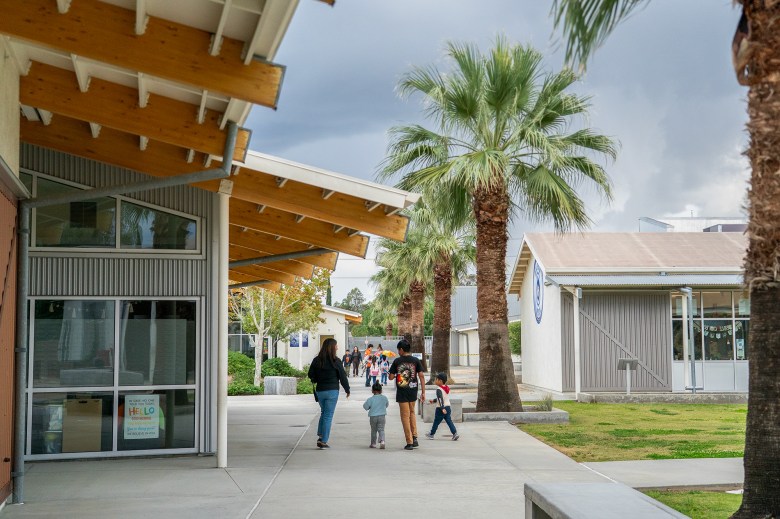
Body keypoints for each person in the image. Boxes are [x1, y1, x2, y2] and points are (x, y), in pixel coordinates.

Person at [307, 338, 350, 449]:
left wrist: (316, 377)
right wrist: (347, 389)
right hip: (332, 391)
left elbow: (310, 374)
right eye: (336, 345)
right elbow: (342, 376)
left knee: (324, 412)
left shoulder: (317, 360)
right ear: (332, 347)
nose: (337, 347)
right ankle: (323, 440)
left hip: (320, 391)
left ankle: (321, 435)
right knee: (328, 415)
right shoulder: (336, 361)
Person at [387, 339, 425, 450]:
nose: (398, 352)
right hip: (413, 391)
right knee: (412, 413)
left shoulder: (397, 361)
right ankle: (415, 436)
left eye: (398, 350)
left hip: (402, 392)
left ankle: (409, 442)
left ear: (402, 350)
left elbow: (390, 377)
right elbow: (421, 376)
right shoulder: (415, 360)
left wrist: (396, 375)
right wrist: (423, 392)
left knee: (405, 416)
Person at [425, 372, 459, 441]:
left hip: (440, 409)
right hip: (448, 407)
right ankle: (455, 433)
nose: (435, 381)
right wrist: (434, 401)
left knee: (436, 422)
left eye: (436, 379)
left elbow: (440, 399)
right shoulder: (446, 388)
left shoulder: (438, 389)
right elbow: (443, 398)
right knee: (449, 421)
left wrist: (442, 408)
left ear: (440, 381)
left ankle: (431, 434)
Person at [362, 381, 389, 449]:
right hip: (382, 416)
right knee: (381, 429)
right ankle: (382, 441)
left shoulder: (370, 399)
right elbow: (387, 405)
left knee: (373, 430)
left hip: (373, 417)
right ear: (381, 390)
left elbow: (365, 407)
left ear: (372, 391)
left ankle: (373, 444)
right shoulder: (384, 398)